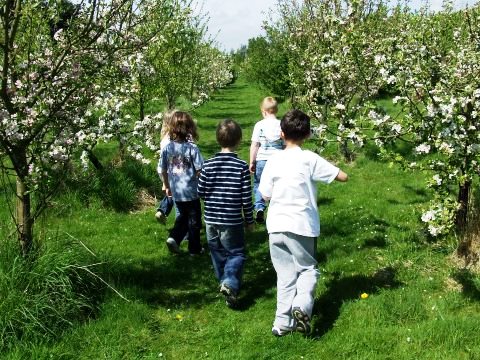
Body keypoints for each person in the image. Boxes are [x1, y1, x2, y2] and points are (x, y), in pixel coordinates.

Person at [258, 109, 348, 337]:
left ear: (281, 133)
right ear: (308, 134)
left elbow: (265, 194)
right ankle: (302, 305)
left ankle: (281, 324)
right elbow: (342, 176)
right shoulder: (309, 158)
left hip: (276, 225)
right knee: (307, 269)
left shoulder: (273, 160)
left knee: (285, 275)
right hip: (302, 225)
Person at [198, 119, 254, 307]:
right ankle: (229, 281)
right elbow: (246, 196)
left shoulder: (208, 164)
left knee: (217, 252)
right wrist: (249, 219)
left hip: (211, 219)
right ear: (238, 141)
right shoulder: (240, 167)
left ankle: (225, 283)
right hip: (231, 220)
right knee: (236, 253)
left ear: (217, 140)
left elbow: (201, 191)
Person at [160, 111, 204, 256]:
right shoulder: (192, 148)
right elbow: (200, 171)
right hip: (191, 192)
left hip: (177, 191)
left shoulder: (167, 148)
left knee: (183, 218)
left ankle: (174, 238)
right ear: (190, 128)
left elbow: (164, 169)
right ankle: (194, 249)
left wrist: (166, 186)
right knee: (194, 221)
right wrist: (203, 186)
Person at [249, 97, 284, 223]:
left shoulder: (259, 125)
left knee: (259, 184)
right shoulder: (282, 125)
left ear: (263, 111)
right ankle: (276, 208)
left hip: (262, 160)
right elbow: (285, 144)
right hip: (278, 160)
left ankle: (259, 207)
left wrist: (252, 161)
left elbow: (255, 145)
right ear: (276, 110)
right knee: (278, 184)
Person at [155, 110, 176, 224]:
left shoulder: (165, 138)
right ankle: (163, 211)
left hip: (163, 169)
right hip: (169, 171)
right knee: (176, 194)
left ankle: (162, 211)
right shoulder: (171, 141)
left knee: (172, 192)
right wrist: (165, 182)